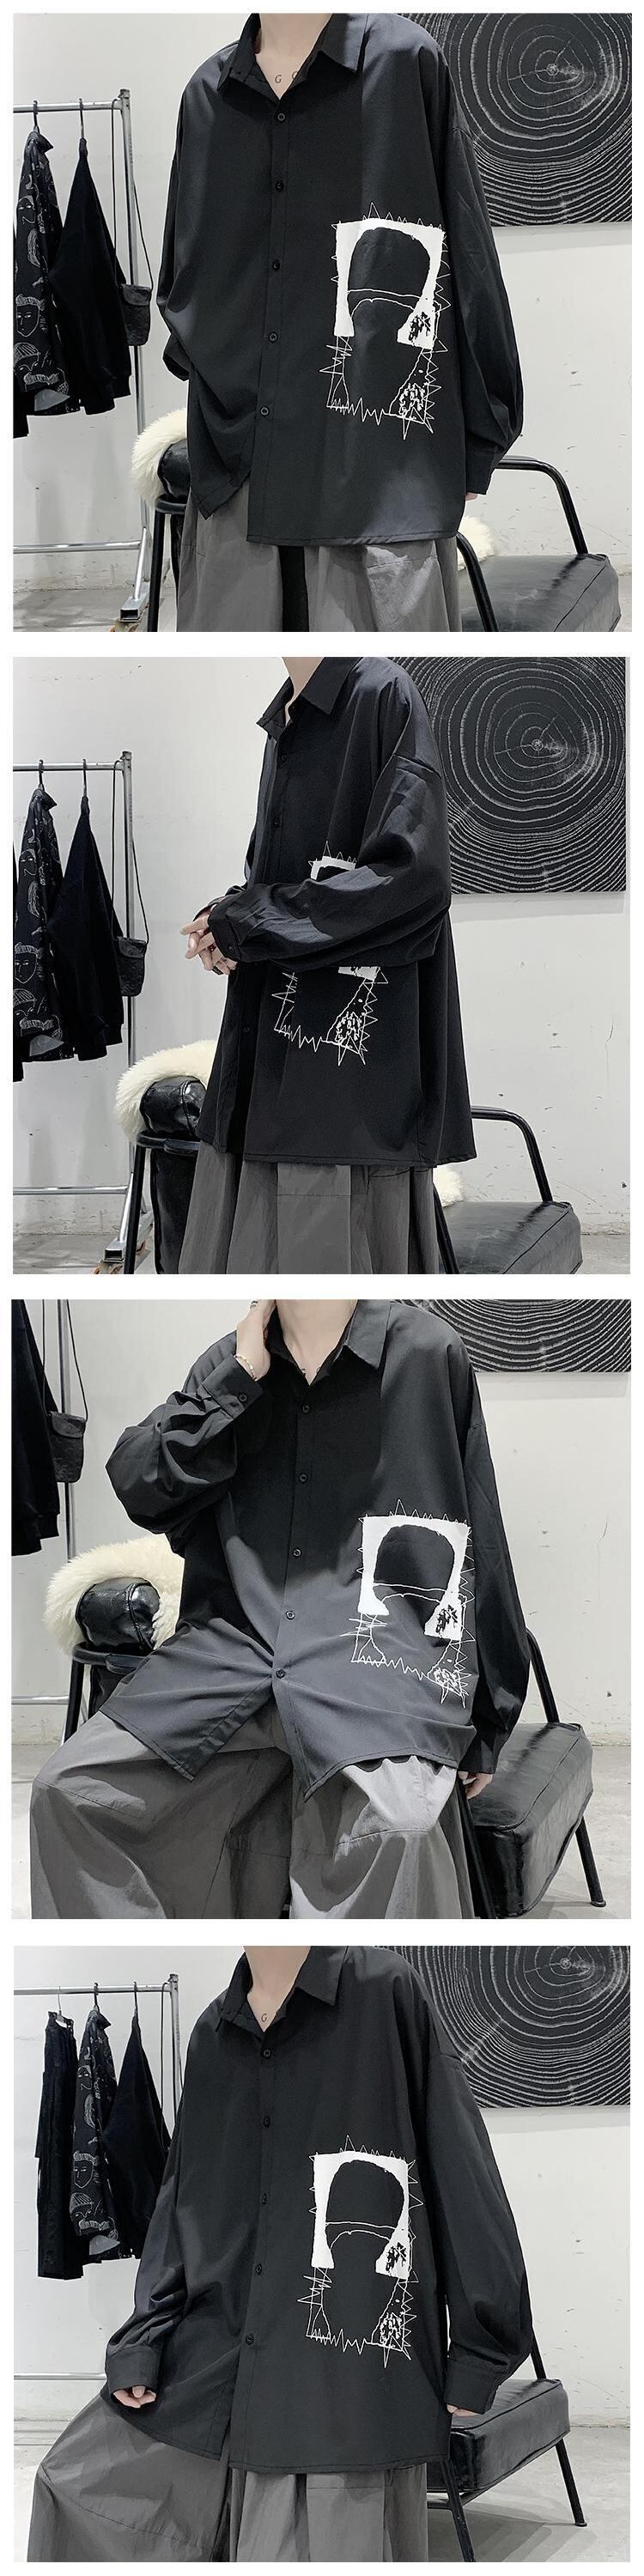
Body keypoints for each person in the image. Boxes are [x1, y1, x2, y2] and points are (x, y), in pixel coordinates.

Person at [27, 1944, 533, 2562]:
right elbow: (184, 2202)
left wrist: (481, 2348)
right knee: (74, 2490)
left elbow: (461, 2167)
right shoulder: (213, 2035)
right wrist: (144, 2338)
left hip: (345, 2387)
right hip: (216, 2361)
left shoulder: (384, 1993)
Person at [30, 1297, 530, 1922]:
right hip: (230, 1649)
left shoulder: (427, 1353)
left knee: (399, 1826)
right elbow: (140, 1486)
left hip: (374, 1655)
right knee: (68, 1793)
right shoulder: (228, 1362)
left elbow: (478, 1526)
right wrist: (236, 1384)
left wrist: (487, 1722)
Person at [158, 11, 523, 633]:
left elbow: (466, 251)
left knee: (382, 650)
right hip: (244, 471)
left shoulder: (405, 64)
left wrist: (479, 435)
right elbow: (185, 275)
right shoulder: (207, 96)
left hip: (377, 475)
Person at [178, 654, 474, 1273]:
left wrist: (253, 920)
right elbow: (283, 878)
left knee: (333, 1264)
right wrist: (229, 920)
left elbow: (412, 882)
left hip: (343, 1084)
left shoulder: (381, 693)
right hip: (266, 1061)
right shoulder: (287, 714)